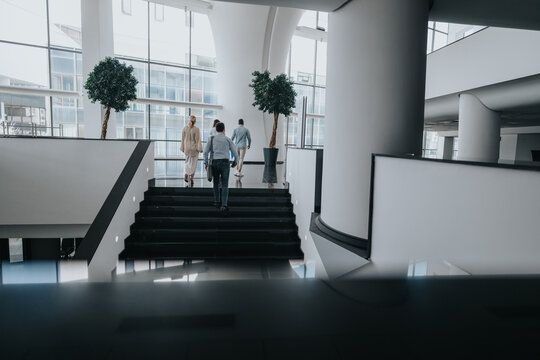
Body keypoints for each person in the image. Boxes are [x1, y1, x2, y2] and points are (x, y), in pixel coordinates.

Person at [204, 122, 238, 211]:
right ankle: (224, 205)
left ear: (216, 129)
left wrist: (206, 163)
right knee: (225, 184)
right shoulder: (228, 139)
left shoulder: (211, 139)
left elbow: (205, 152)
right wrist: (235, 162)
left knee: (215, 183)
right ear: (224, 129)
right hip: (225, 163)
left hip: (214, 163)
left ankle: (216, 201)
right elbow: (235, 153)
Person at [181, 115, 203, 186]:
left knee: (187, 162)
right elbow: (198, 140)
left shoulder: (184, 128)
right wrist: (200, 149)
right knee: (193, 164)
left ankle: (186, 174)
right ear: (195, 121)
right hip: (194, 149)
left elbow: (182, 139)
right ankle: (192, 178)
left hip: (187, 148)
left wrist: (182, 147)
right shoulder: (196, 129)